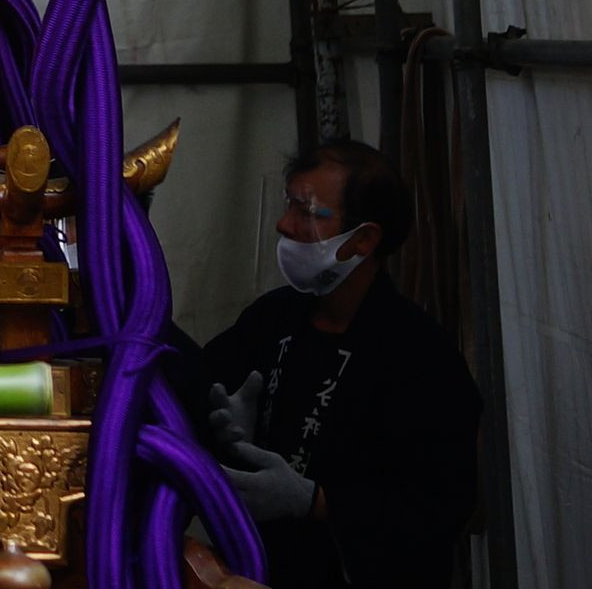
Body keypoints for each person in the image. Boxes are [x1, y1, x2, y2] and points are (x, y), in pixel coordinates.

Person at [184, 140, 477, 589]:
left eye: (307, 212)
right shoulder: (273, 317)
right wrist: (220, 425)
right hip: (256, 569)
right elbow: (194, 380)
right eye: (288, 204)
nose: (284, 224)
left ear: (363, 239)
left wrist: (315, 500)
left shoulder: (421, 358)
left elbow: (441, 508)